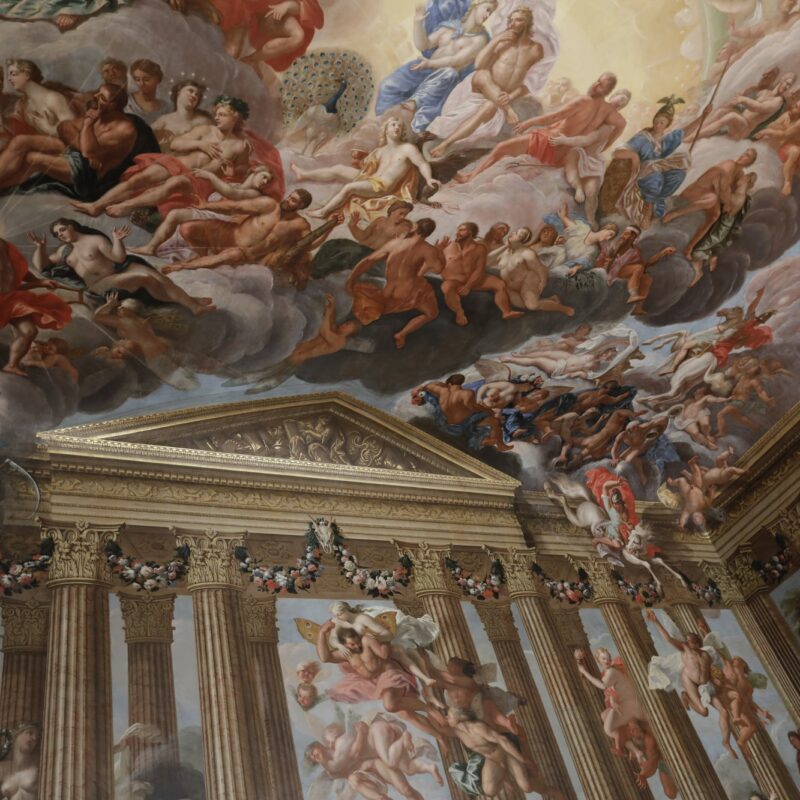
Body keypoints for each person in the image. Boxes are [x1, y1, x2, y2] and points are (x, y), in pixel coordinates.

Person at [70, 94, 253, 218]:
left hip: (200, 179)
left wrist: (231, 171)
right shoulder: (206, 130)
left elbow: (242, 172)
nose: (217, 118)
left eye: (222, 115)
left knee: (169, 185)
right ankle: (97, 206)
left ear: (235, 117)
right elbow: (176, 143)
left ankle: (128, 205)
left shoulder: (240, 146)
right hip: (177, 163)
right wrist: (200, 144)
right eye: (217, 114)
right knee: (140, 179)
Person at [452, 71, 623, 183]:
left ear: (607, 90)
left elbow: (554, 117)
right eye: (596, 80)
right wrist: (606, 145)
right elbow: (622, 124)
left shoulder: (583, 101)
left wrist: (529, 122)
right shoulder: (609, 111)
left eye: (600, 85)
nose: (594, 85)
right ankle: (474, 175)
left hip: (548, 142)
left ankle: (470, 178)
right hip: (562, 153)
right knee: (510, 153)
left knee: (502, 148)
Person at [0, 82, 159, 201]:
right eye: (97, 93)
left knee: (32, 159)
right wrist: (84, 143)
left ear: (114, 106)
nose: (95, 98)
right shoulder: (99, 114)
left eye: (102, 98)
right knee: (21, 141)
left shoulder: (124, 129)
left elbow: (88, 151)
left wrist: (87, 127)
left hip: (87, 175)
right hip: (77, 155)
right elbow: (64, 127)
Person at [30, 219, 215, 315]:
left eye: (62, 230)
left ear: (71, 226)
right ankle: (190, 304)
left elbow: (118, 258)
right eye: (57, 234)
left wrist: (118, 240)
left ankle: (190, 302)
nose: (60, 235)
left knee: (155, 276)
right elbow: (42, 266)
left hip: (116, 276)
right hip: (99, 287)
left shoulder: (95, 240)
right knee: (146, 277)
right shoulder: (64, 250)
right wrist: (40, 248)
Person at [429, 7, 544, 158]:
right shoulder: (502, 42)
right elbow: (479, 65)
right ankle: (508, 110)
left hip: (498, 98)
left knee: (489, 106)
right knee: (482, 74)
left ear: (527, 23)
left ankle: (446, 144)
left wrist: (511, 96)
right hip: (479, 87)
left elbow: (531, 82)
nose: (513, 24)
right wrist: (496, 40)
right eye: (511, 20)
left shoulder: (536, 49)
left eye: (518, 20)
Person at [315, 619, 448, 746]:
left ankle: (428, 708)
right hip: (375, 683)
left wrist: (383, 638)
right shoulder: (346, 653)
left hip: (389, 673)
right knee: (406, 713)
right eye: (352, 645)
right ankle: (439, 735)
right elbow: (325, 657)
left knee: (390, 705)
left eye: (357, 642)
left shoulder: (366, 641)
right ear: (344, 645)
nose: (357, 646)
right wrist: (322, 633)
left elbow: (384, 655)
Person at [375, 0, 496, 136]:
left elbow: (456, 60)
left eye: (491, 13)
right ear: (477, 4)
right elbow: (424, 45)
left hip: (445, 79)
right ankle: (382, 124)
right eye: (487, 9)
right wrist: (418, 22)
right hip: (425, 68)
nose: (488, 15)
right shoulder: (449, 26)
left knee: (449, 73)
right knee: (388, 85)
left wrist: (430, 64)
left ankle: (415, 102)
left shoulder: (481, 39)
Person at [159, 189, 322, 289]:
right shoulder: (269, 205)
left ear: (301, 206)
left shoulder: (299, 224)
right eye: (289, 196)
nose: (287, 200)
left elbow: (309, 245)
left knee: (228, 256)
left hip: (245, 253)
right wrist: (206, 206)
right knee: (186, 228)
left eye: (293, 200)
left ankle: (181, 266)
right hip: (227, 234)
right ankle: (203, 258)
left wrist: (331, 227)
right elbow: (235, 207)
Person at [646, 610, 737, 758]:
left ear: (697, 642)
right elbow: (669, 639)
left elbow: (717, 664)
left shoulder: (707, 654)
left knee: (724, 711)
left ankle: (726, 742)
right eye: (687, 641)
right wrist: (656, 621)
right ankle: (686, 696)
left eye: (690, 640)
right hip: (689, 680)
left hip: (705, 685)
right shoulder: (686, 650)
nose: (687, 643)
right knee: (704, 712)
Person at [607, 96, 708, 229]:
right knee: (656, 175)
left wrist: (703, 117)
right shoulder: (643, 138)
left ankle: (658, 199)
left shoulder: (664, 141)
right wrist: (634, 156)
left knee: (679, 174)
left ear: (667, 124)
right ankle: (647, 210)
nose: (658, 124)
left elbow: (683, 133)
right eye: (657, 120)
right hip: (640, 174)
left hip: (656, 171)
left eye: (662, 122)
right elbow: (617, 152)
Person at [308, 117, 440, 218]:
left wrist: (429, 179)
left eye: (399, 126)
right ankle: (303, 174)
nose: (397, 128)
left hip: (382, 186)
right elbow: (365, 167)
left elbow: (422, 163)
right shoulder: (380, 151)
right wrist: (359, 156)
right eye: (393, 125)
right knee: (338, 169)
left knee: (349, 187)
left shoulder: (407, 148)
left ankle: (323, 212)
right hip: (371, 179)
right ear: (386, 129)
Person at [130, 165, 277, 256]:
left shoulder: (255, 194)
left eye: (267, 181)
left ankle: (150, 247)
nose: (265, 183)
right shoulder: (238, 185)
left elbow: (231, 194)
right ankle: (150, 233)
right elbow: (230, 190)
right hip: (212, 213)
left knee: (176, 215)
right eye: (264, 177)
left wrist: (210, 176)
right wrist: (228, 176)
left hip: (222, 220)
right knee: (175, 212)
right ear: (254, 171)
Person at [345, 217, 445, 349]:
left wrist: (351, 279)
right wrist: (440, 252)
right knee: (431, 314)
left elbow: (368, 260)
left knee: (369, 311)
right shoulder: (429, 250)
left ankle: (346, 334)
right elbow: (438, 269)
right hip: (409, 292)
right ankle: (402, 334)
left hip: (388, 290)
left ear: (415, 227)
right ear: (429, 233)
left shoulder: (395, 243)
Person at [550, 89, 631, 228]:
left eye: (624, 103)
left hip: (593, 158)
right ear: (613, 95)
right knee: (573, 159)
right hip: (577, 150)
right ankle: (578, 187)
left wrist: (566, 140)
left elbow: (590, 140)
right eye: (620, 98)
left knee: (592, 191)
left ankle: (590, 218)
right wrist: (565, 140)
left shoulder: (613, 122)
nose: (620, 103)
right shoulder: (594, 108)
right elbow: (583, 137)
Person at [446, 707, 565, 799]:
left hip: (505, 753)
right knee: (489, 790)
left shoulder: (478, 727)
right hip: (493, 760)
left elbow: (502, 740)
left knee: (526, 786)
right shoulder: (457, 732)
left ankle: (552, 791)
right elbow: (439, 729)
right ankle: (504, 776)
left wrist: (523, 760)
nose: (447, 717)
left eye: (449, 716)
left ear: (459, 718)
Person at [661, 148, 758, 259]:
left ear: (750, 162)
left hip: (711, 195)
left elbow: (728, 197)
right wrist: (724, 197)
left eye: (747, 156)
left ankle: (689, 248)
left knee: (714, 215)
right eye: (744, 153)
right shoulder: (729, 164)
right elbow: (724, 194)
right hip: (698, 190)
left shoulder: (739, 175)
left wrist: (724, 196)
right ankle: (675, 213)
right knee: (712, 199)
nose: (743, 156)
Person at [93, 291, 198, 390]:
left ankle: (188, 384)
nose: (118, 309)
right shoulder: (143, 321)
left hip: (151, 354)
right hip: (162, 346)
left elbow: (97, 317)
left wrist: (109, 304)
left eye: (122, 307)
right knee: (176, 372)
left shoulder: (125, 322)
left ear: (130, 310)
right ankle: (190, 382)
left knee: (171, 377)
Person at [0, 237, 72, 377]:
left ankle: (12, 365)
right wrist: (38, 284)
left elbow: (20, 271)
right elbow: (9, 288)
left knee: (30, 331)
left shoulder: (5, 246)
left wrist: (39, 281)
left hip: (12, 300)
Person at [438, 221, 524, 325]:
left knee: (499, 284)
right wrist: (438, 248)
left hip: (474, 281)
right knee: (446, 287)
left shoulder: (479, 249)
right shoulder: (448, 247)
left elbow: (479, 270)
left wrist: (468, 286)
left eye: (461, 230)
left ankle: (506, 312)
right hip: (454, 281)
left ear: (470, 232)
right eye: (458, 230)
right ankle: (459, 313)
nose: (457, 233)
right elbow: (434, 263)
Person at [574, 647, 645, 756]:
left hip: (630, 703)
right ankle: (634, 750)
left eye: (608, 658)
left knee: (608, 729)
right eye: (603, 659)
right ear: (598, 660)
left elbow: (602, 686)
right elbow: (612, 690)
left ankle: (631, 749)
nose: (607, 661)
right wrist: (612, 700)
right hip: (625, 701)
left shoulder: (611, 672)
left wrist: (584, 671)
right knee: (603, 715)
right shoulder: (609, 672)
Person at [689, 171, 757, 284]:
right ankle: (707, 261)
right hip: (720, 226)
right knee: (701, 247)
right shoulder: (739, 195)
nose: (740, 179)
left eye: (743, 178)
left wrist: (717, 188)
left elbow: (726, 207)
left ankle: (698, 271)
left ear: (746, 181)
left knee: (698, 249)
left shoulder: (739, 197)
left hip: (720, 229)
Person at [596, 226, 676, 315]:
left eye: (626, 234)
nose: (623, 236)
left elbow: (644, 266)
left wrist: (662, 253)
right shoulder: (612, 245)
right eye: (623, 233)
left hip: (619, 273)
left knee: (646, 278)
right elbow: (601, 254)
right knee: (638, 268)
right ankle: (633, 294)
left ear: (633, 237)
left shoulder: (634, 252)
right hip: (604, 272)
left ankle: (637, 307)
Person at [496, 226, 574, 314]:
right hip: (511, 287)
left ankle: (563, 309)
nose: (513, 233)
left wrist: (542, 281)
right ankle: (551, 299)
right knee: (520, 305)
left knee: (532, 306)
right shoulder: (506, 252)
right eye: (515, 232)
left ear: (522, 239)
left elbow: (539, 268)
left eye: (520, 234)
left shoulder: (527, 252)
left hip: (527, 281)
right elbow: (490, 260)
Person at [697, 73, 795, 141]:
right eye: (787, 83)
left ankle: (695, 137)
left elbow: (759, 107)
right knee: (721, 111)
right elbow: (744, 104)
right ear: (782, 80)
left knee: (731, 116)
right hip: (739, 122)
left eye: (789, 86)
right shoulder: (765, 92)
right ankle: (698, 130)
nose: (787, 87)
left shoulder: (778, 101)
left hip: (744, 128)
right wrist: (734, 103)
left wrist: (743, 99)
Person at [4, 59, 75, 137]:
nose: (9, 79)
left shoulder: (53, 99)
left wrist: (49, 129)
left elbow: (72, 131)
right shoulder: (21, 105)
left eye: (13, 74)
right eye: (9, 75)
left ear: (27, 75)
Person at [754, 98, 800, 196]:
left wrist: (768, 131)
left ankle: (787, 182)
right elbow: (772, 125)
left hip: (793, 153)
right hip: (780, 146)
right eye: (795, 105)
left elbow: (784, 134)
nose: (792, 107)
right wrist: (773, 129)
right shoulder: (788, 115)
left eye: (796, 107)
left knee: (795, 151)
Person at [151, 79, 212, 152]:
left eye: (197, 95)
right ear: (179, 92)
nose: (194, 95)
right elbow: (146, 140)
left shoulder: (204, 121)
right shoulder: (164, 120)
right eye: (190, 91)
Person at [625, 720, 677, 798]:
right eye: (630, 730)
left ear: (639, 728)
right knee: (670, 793)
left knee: (670, 792)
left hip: (665, 760)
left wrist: (643, 774)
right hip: (660, 762)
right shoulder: (636, 740)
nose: (631, 732)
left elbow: (653, 761)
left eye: (633, 729)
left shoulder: (649, 739)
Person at [0, 722, 40, 800]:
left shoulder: (38, 769)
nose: (34, 738)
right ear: (17, 735)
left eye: (37, 738)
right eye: (29, 733)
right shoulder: (2, 768)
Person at [125, 59, 170, 124]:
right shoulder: (127, 101)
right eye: (137, 79)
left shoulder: (166, 108)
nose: (141, 84)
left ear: (157, 80)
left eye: (146, 79)